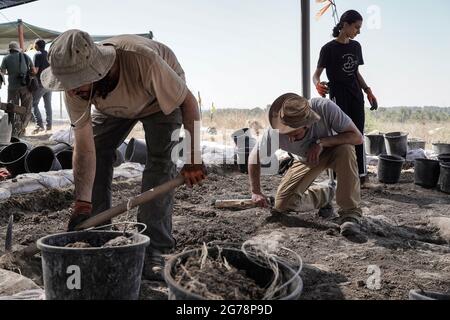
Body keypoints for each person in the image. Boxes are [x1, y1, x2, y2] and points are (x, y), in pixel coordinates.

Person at [41, 30, 207, 281]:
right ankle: (96, 233)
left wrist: (193, 158)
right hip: (112, 106)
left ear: (98, 71)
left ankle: (155, 248)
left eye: (78, 83)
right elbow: (84, 146)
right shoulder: (75, 88)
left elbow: (189, 103)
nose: (72, 91)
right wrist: (82, 203)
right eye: (68, 85)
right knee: (98, 150)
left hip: (158, 100)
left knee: (161, 162)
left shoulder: (142, 60)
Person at [249, 93, 365, 240]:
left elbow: (357, 137)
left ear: (308, 124)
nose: (290, 139)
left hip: (335, 150)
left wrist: (321, 143)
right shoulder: (275, 131)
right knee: (283, 205)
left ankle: (350, 214)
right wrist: (256, 191)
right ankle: (326, 193)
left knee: (346, 149)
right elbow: (254, 157)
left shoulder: (324, 108)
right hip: (305, 159)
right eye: (287, 134)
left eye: (295, 135)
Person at [313, 10, 378, 185]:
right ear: (345, 25)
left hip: (355, 94)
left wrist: (367, 90)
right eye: (356, 27)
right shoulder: (328, 49)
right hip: (337, 97)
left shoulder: (356, 47)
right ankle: (340, 174)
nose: (358, 31)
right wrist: (317, 84)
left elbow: (356, 72)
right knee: (341, 135)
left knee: (358, 133)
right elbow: (316, 75)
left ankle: (361, 174)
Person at [0, 41, 33, 137]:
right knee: (26, 108)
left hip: (12, 88)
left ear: (10, 50)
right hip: (26, 87)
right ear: (18, 49)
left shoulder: (6, 58)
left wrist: (11, 73)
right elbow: (33, 70)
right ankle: (22, 128)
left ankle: (13, 130)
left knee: (12, 108)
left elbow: (2, 72)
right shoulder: (26, 57)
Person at [31, 39, 52, 133]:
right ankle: (49, 125)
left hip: (40, 83)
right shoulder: (49, 55)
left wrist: (30, 70)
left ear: (37, 46)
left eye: (35, 45)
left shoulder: (37, 55)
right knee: (48, 105)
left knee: (33, 104)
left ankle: (40, 125)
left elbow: (35, 70)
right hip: (49, 83)